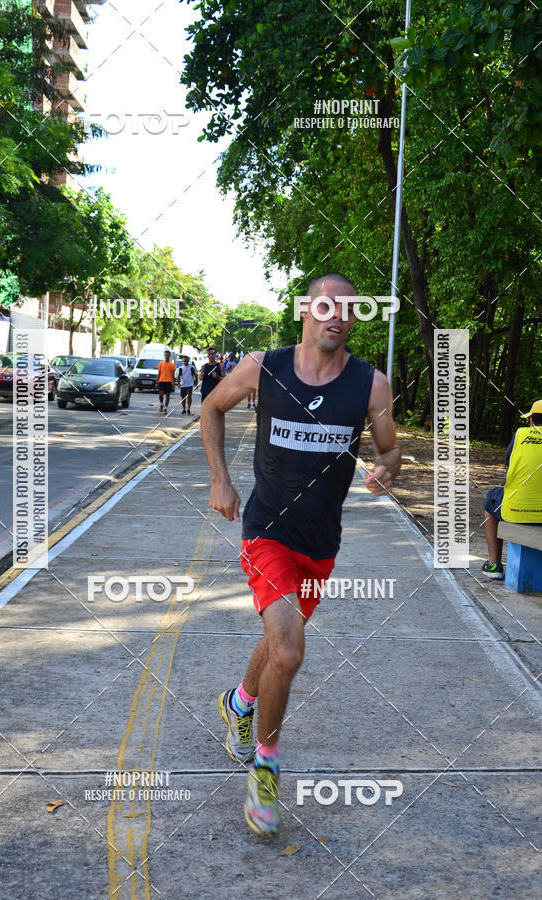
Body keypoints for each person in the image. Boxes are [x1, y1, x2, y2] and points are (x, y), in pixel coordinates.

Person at [201, 272, 401, 835]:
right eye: (324, 306)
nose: (336, 315)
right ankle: (266, 767)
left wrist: (388, 469)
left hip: (321, 545)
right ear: (305, 311)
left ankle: (240, 703)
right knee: (289, 650)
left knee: (276, 645)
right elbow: (211, 410)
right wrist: (220, 479)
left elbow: (392, 450)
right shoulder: (263, 368)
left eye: (347, 308)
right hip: (266, 530)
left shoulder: (370, 386)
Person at [482, 401, 542, 578]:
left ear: (531, 420)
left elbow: (509, 468)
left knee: (491, 499)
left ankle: (494, 565)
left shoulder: (520, 434)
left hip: (516, 510)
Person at [156, 350, 175, 414]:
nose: (166, 356)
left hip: (169, 382)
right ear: (164, 355)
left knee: (167, 395)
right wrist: (157, 382)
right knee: (160, 394)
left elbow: (173, 375)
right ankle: (161, 404)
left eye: (167, 355)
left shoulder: (172, 364)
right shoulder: (161, 363)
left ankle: (165, 408)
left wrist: (173, 384)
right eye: (165, 355)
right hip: (161, 381)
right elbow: (159, 373)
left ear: (169, 356)